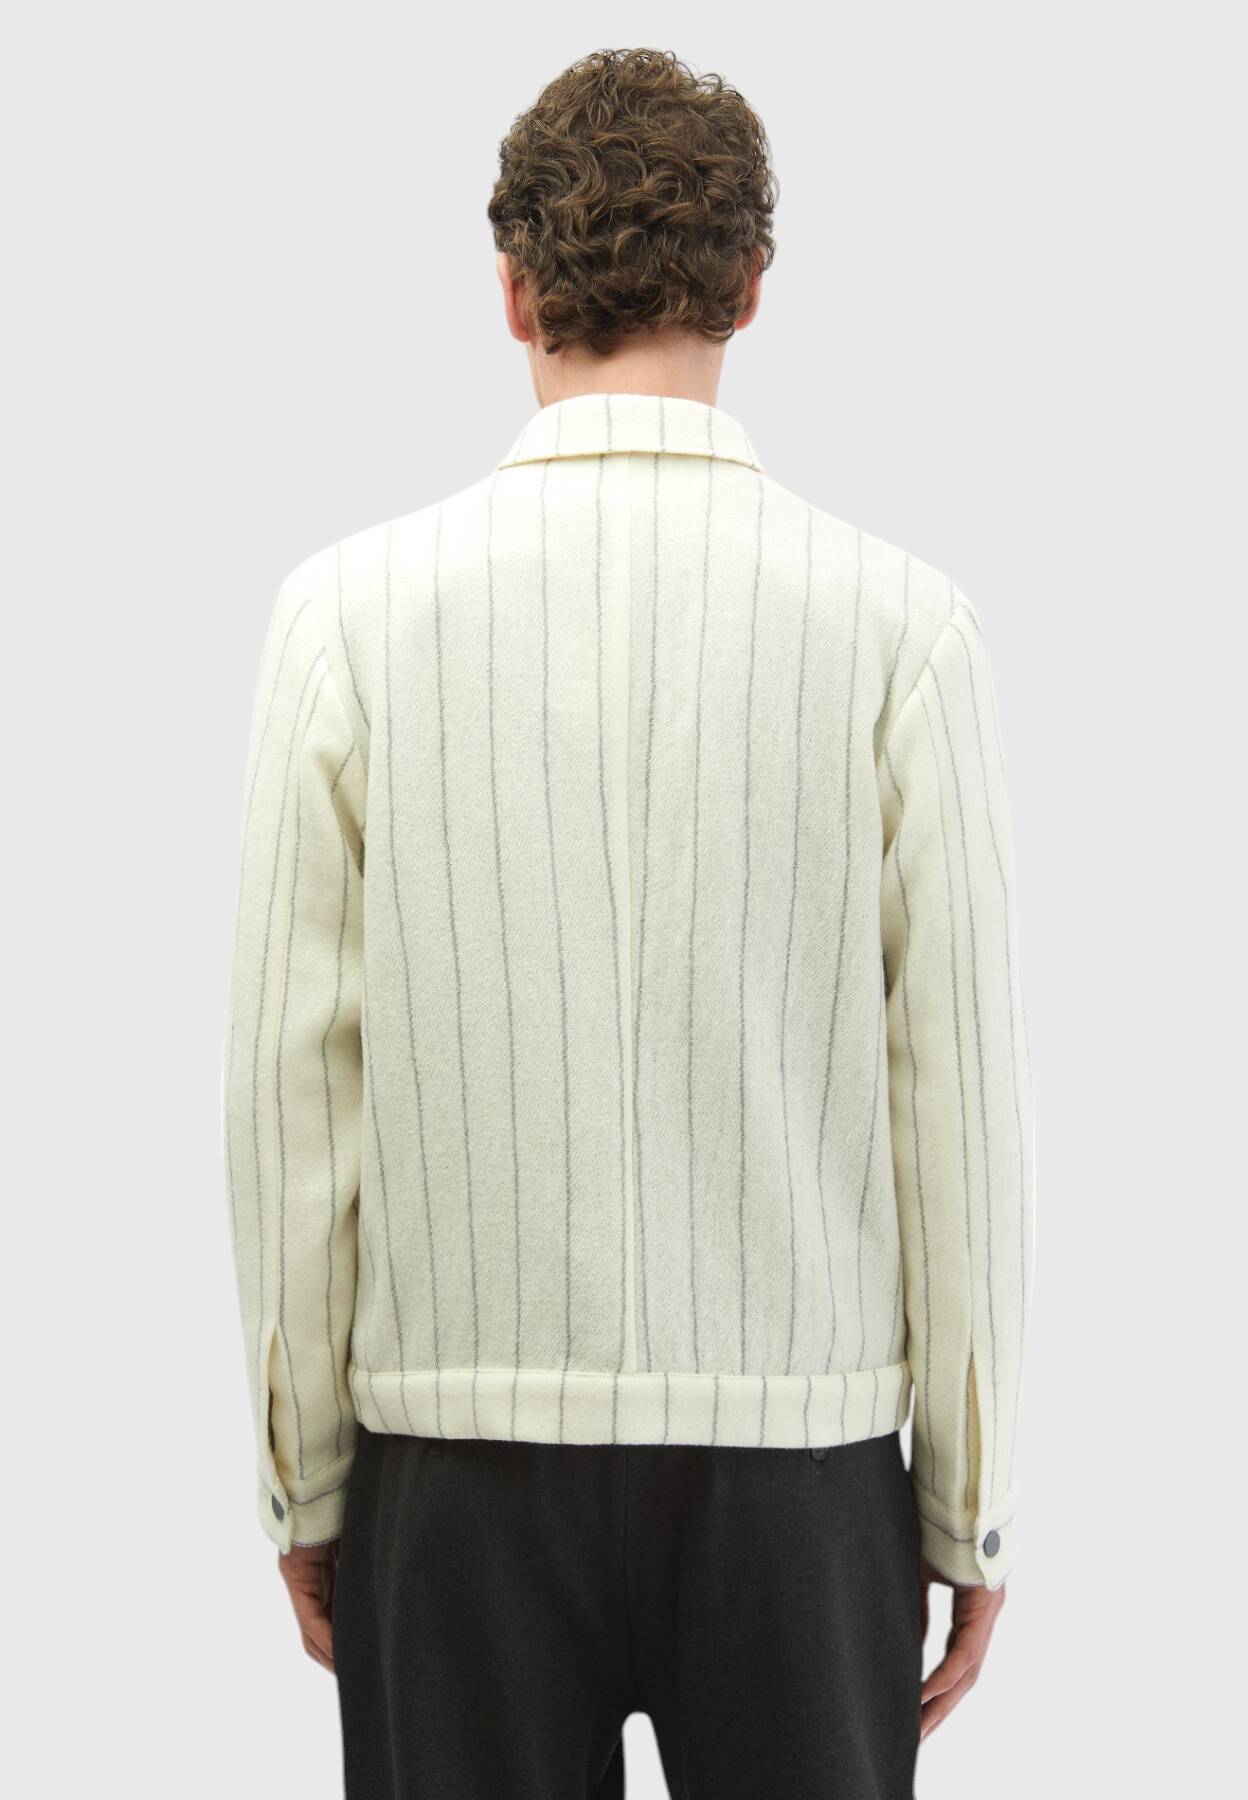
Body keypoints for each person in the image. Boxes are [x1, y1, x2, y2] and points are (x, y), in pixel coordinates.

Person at [222, 46, 1034, 1798]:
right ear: (753, 286)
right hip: (801, 1474)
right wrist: (964, 1504)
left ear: (513, 291)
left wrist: (306, 1480)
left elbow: (291, 1103)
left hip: (453, 1470)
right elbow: (957, 1105)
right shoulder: (902, 631)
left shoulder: (346, 622)